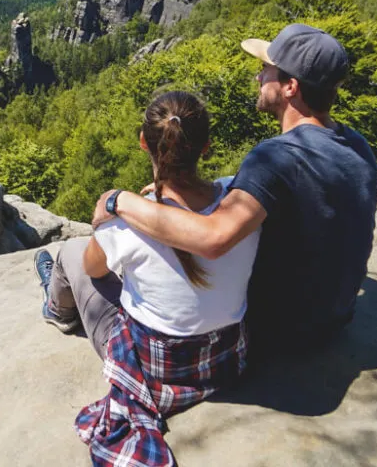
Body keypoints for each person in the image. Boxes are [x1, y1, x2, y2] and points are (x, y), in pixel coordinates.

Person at [90, 23, 377, 358]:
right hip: (334, 321)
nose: (259, 78)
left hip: (276, 334)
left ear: (290, 87)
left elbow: (213, 239)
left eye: (266, 70)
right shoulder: (358, 146)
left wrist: (118, 200)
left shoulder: (276, 158)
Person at [33, 91, 260, 467]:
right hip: (225, 362)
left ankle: (58, 308)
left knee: (72, 255)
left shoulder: (122, 227)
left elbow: (95, 272)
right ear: (205, 147)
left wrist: (121, 214)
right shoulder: (241, 206)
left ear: (143, 142)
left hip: (156, 372)